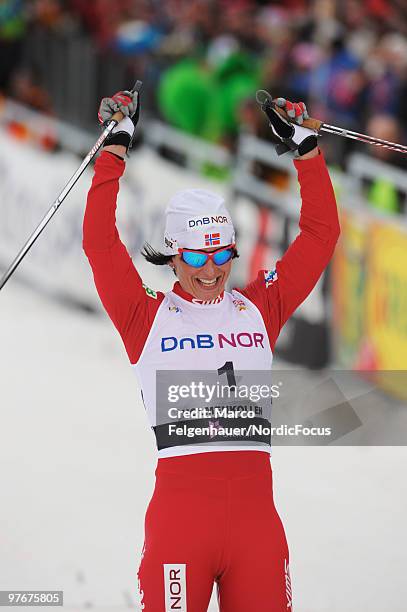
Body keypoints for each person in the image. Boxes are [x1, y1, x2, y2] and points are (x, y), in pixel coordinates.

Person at [83, 89, 340, 611]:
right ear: (174, 255)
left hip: (256, 529)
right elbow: (99, 242)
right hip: (182, 526)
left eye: (222, 251)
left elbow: (320, 234)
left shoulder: (257, 308)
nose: (211, 267)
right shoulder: (145, 316)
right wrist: (113, 151)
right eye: (198, 253)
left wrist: (307, 154)